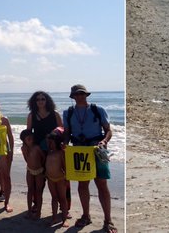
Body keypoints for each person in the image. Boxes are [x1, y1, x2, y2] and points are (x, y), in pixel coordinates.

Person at [63, 85, 114, 232]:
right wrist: (65, 143)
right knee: (82, 184)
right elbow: (67, 132)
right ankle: (86, 216)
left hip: (97, 150)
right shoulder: (68, 112)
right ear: (73, 96)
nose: (79, 96)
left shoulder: (98, 109)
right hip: (79, 150)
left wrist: (104, 141)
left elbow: (108, 130)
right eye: (77, 94)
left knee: (102, 184)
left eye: (82, 94)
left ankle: (108, 220)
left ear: (86, 95)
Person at [26, 90, 62, 215]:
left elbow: (61, 130)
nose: (40, 101)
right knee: (38, 182)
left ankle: (64, 208)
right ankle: (36, 205)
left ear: (47, 100)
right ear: (34, 102)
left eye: (43, 99)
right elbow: (28, 134)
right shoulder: (32, 115)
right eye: (38, 99)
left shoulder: (54, 114)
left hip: (53, 150)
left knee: (59, 181)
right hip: (38, 150)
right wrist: (29, 151)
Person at [45, 128, 70, 228]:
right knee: (54, 198)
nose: (49, 144)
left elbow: (65, 166)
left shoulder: (61, 153)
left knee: (63, 199)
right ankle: (54, 217)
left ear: (57, 142)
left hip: (60, 178)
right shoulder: (49, 153)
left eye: (51, 142)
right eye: (48, 142)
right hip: (50, 178)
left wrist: (67, 178)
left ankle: (64, 219)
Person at [19, 129, 46, 219]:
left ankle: (38, 212)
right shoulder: (23, 148)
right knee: (30, 190)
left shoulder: (37, 147)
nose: (31, 140)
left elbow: (43, 158)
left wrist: (41, 168)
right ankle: (29, 211)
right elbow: (26, 160)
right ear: (24, 141)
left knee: (38, 191)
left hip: (39, 171)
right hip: (29, 170)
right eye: (28, 139)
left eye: (31, 138)